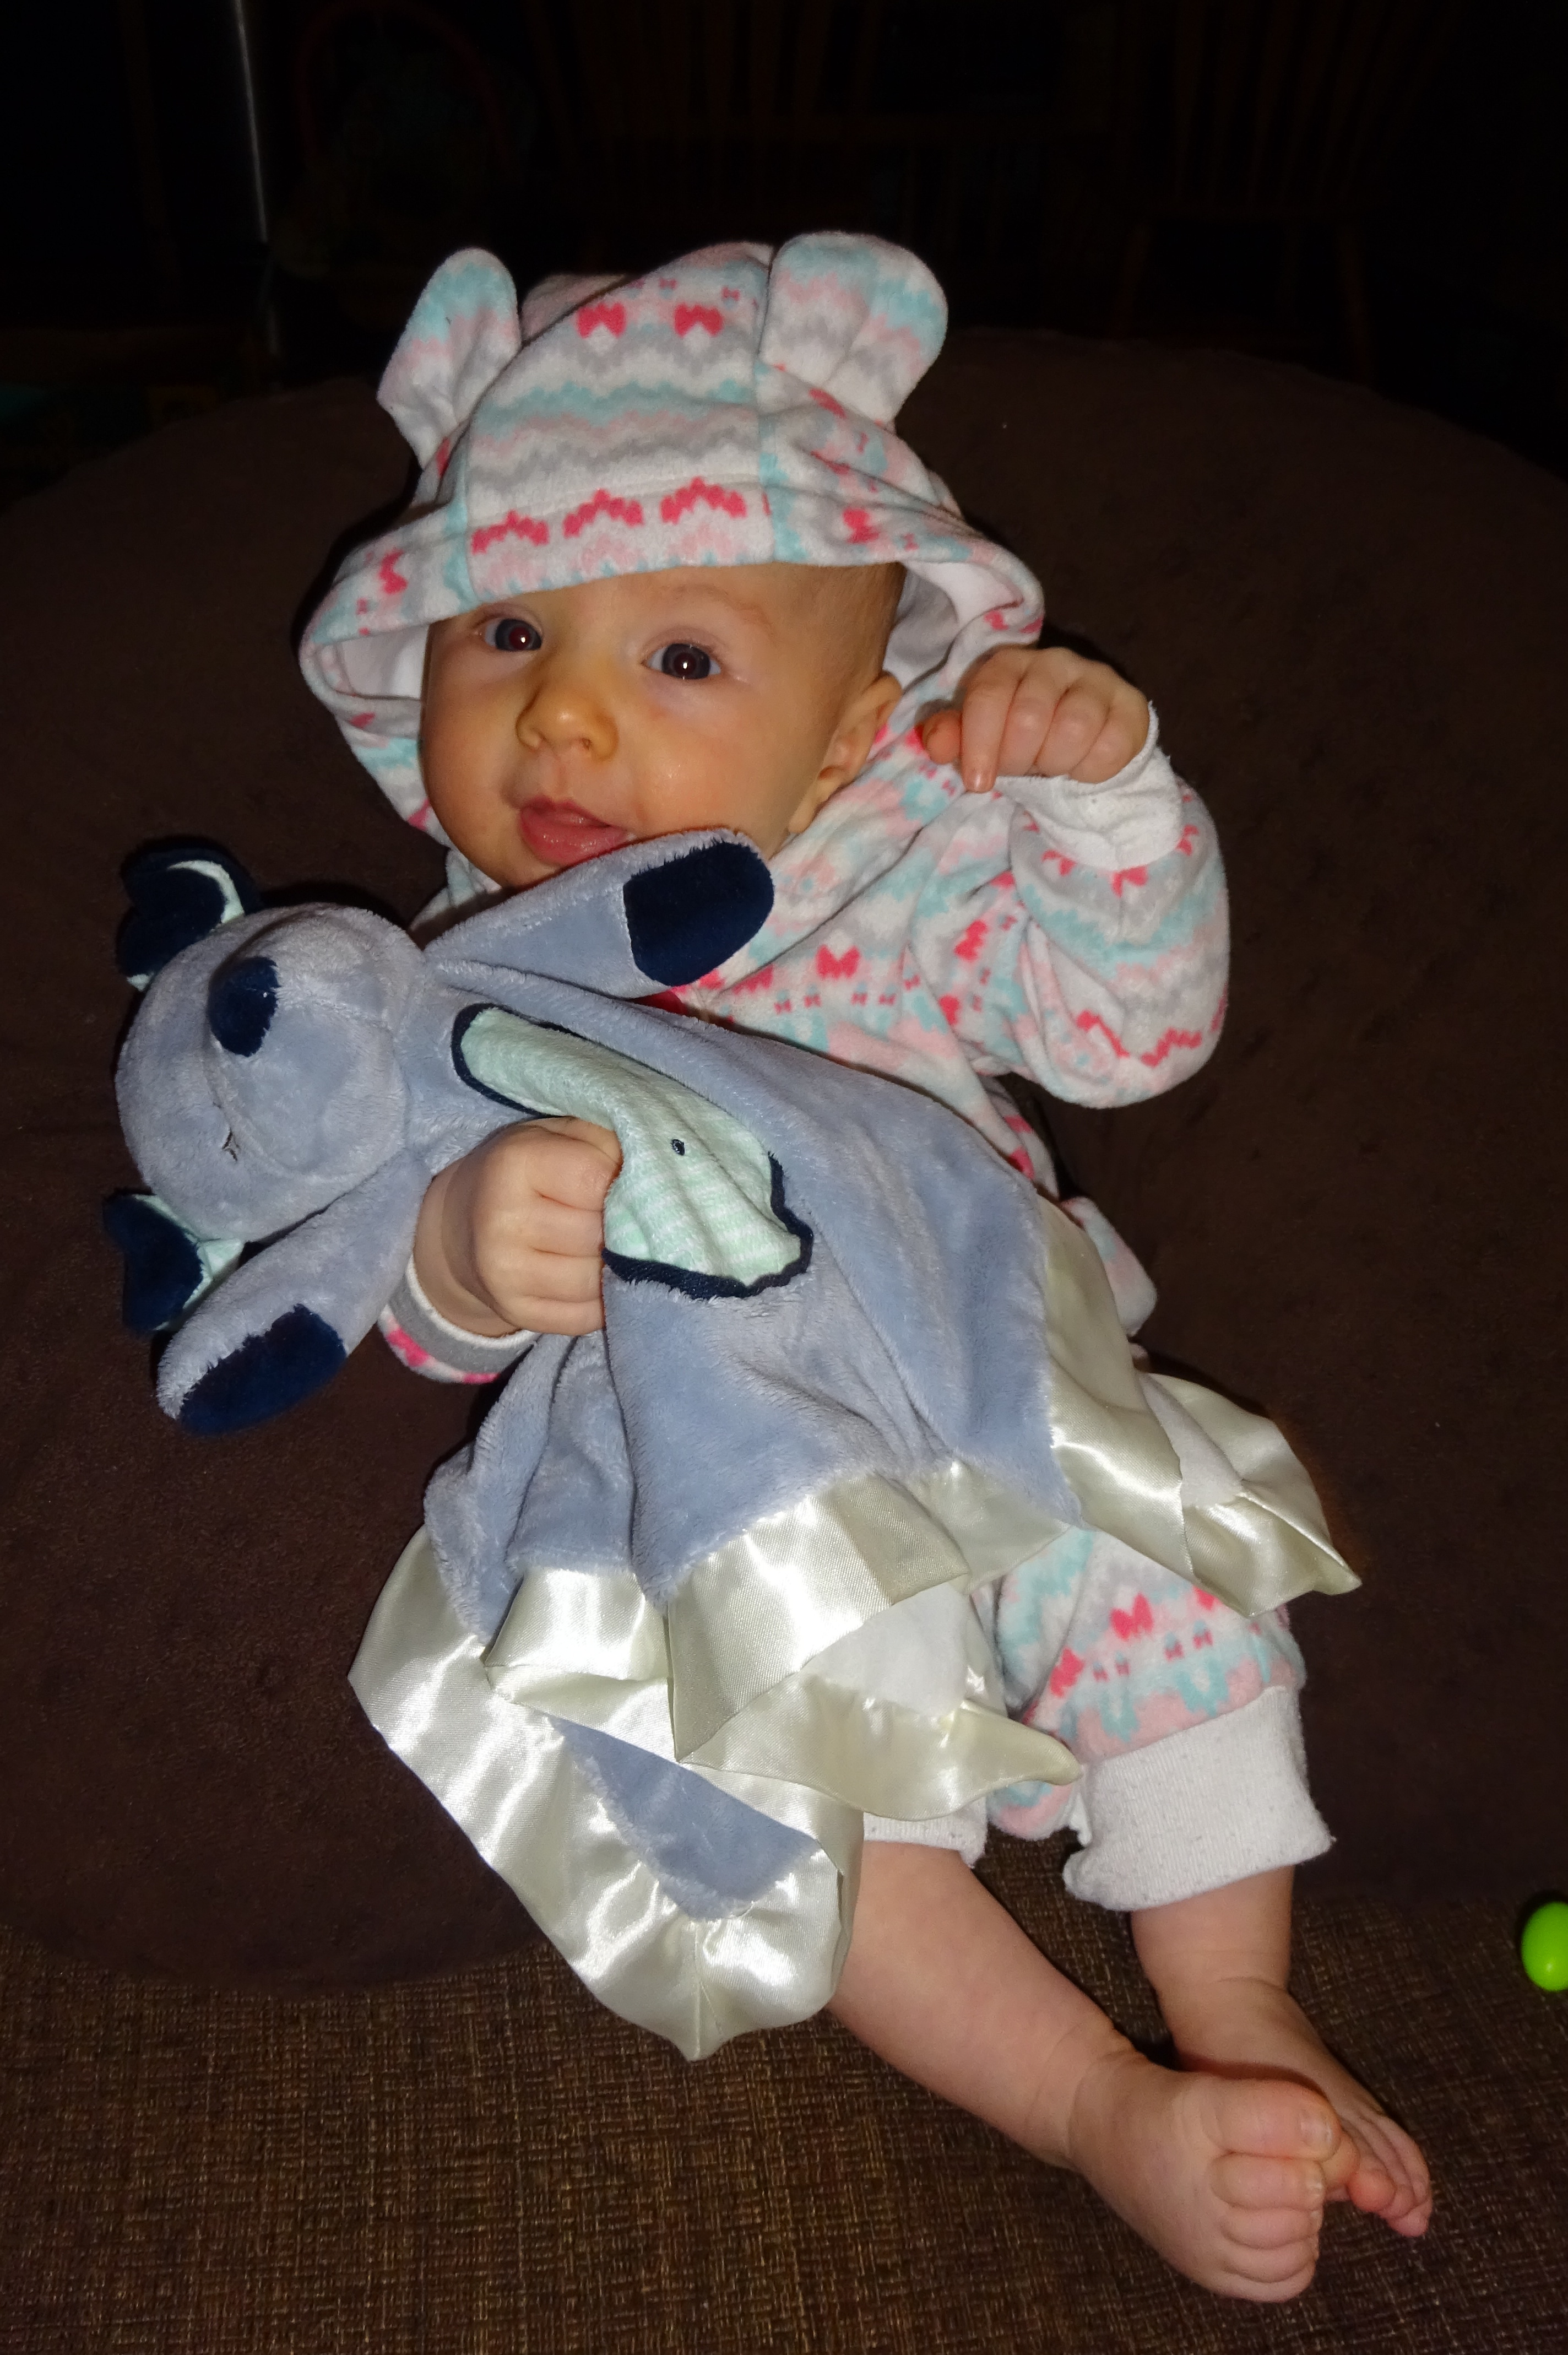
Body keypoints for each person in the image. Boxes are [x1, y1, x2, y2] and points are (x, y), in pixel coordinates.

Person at [299, 232, 1430, 2299]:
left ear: (843, 743)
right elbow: (380, 1274)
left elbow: (1130, 1030)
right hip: (734, 1480)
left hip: (1010, 1385)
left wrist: (1103, 800)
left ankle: (1242, 2004)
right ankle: (1087, 2101)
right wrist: (462, 1252)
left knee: (1179, 1595)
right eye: (511, 630)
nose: (565, 711)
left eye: (683, 656)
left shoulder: (904, 886)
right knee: (806, 1772)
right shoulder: (453, 988)